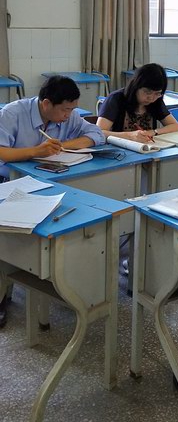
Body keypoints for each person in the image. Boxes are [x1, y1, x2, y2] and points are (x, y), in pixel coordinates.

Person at [0, 74, 105, 328]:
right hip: (8, 184)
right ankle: (3, 293)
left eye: (72, 109)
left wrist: (65, 145)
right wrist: (34, 152)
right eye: (65, 110)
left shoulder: (69, 116)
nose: (69, 115)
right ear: (46, 103)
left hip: (47, 182)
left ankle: (62, 283)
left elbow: (96, 134)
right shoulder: (13, 113)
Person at [97, 63, 178, 142]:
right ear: (136, 86)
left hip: (147, 147)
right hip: (119, 148)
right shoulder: (116, 98)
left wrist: (154, 132)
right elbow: (99, 132)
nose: (151, 98)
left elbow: (175, 126)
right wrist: (129, 136)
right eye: (147, 92)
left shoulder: (157, 100)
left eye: (157, 93)